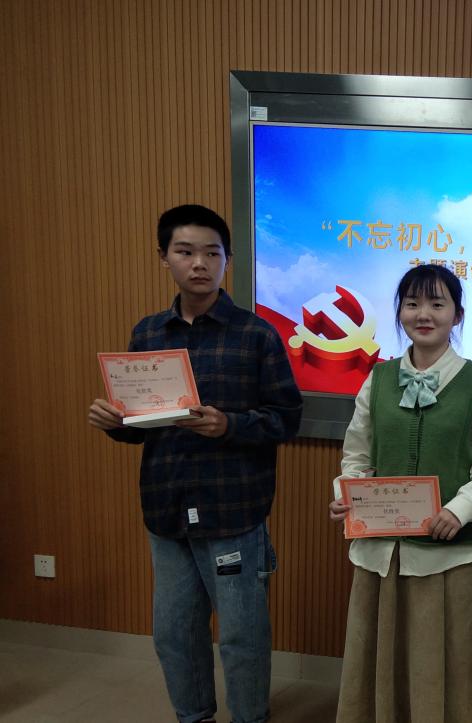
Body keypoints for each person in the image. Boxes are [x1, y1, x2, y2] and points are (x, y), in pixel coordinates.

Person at [87, 204, 302, 723]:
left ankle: (249, 718)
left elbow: (286, 418)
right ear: (164, 257)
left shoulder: (256, 335)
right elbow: (142, 426)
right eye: (185, 252)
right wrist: (116, 422)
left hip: (233, 511)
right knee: (174, 633)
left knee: (242, 635)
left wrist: (230, 425)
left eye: (212, 253)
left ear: (228, 260)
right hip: (166, 509)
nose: (199, 263)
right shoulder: (148, 334)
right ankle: (193, 716)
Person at [328, 264, 472, 723]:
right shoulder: (378, 379)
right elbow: (356, 453)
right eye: (412, 304)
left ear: (457, 315)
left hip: (448, 552)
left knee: (447, 662)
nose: (423, 314)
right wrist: (347, 493)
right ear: (400, 313)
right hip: (380, 551)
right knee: (378, 657)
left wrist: (459, 510)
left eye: (437, 303)